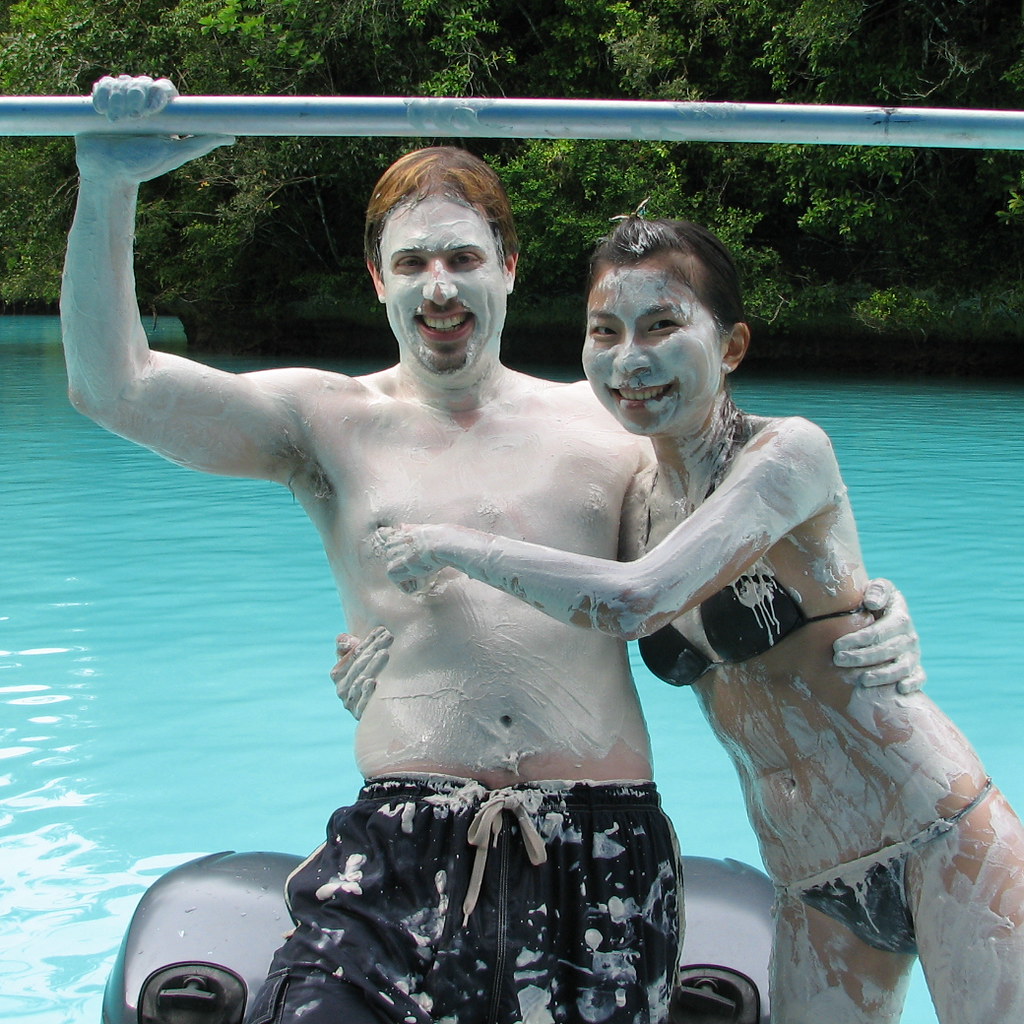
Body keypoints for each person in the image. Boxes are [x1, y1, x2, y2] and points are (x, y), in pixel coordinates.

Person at [62, 75, 922, 1024]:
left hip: (599, 841)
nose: (440, 284)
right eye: (414, 261)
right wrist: (109, 183)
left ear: (507, 268)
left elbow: (738, 555)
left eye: (463, 257)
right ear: (378, 281)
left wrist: (864, 604)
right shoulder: (324, 422)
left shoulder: (612, 424)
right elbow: (116, 386)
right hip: (398, 839)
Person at [375, 215, 1024, 1023]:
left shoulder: (789, 454)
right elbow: (537, 609)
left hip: (938, 837)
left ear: (732, 346)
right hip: (809, 877)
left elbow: (637, 599)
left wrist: (448, 545)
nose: (630, 359)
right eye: (604, 331)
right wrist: (385, 648)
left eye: (663, 326)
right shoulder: (630, 502)